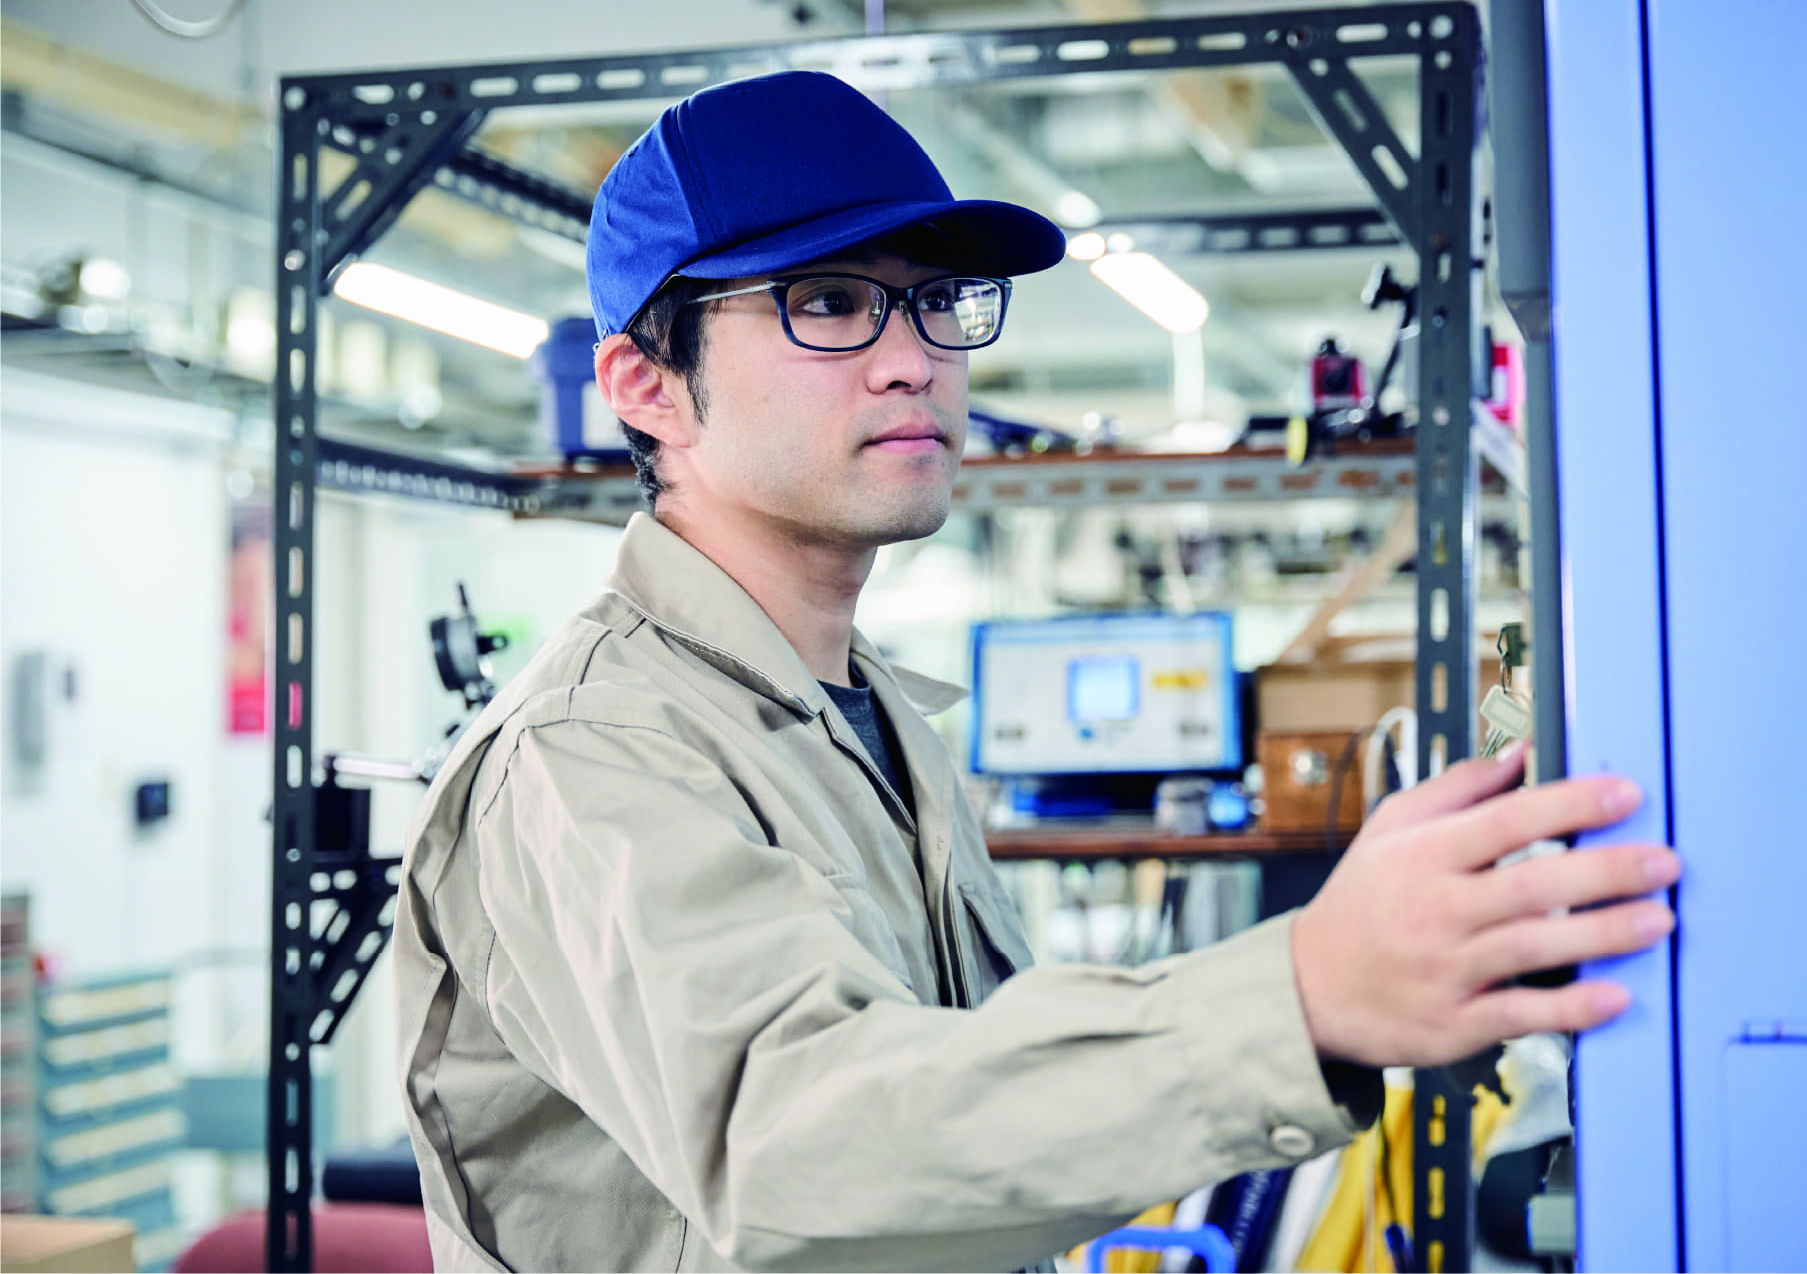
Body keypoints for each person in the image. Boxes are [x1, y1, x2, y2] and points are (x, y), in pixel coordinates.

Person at [393, 71, 1679, 1274]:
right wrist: (1300, 998)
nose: (914, 357)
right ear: (643, 384)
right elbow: (795, 1141)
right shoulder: (591, 751)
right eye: (827, 302)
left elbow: (959, 1141)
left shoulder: (872, 720)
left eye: (935, 302)